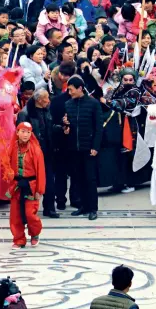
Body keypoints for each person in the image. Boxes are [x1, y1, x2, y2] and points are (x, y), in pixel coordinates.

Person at [64, 76, 102, 221]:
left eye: (71, 90)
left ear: (80, 88)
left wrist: (95, 146)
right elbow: (68, 125)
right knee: (78, 178)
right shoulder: (68, 104)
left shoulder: (93, 104)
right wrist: (65, 125)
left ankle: (93, 208)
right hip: (74, 148)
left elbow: (98, 127)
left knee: (90, 179)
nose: (69, 92)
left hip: (89, 148)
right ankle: (83, 206)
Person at [8, 121, 46, 249]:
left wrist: (39, 190)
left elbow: (41, 171)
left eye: (28, 132)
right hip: (17, 185)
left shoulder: (36, 150)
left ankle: (35, 234)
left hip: (31, 186)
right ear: (17, 132)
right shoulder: (11, 148)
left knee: (30, 214)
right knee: (15, 215)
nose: (25, 135)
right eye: (23, 131)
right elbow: (6, 165)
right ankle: (19, 239)